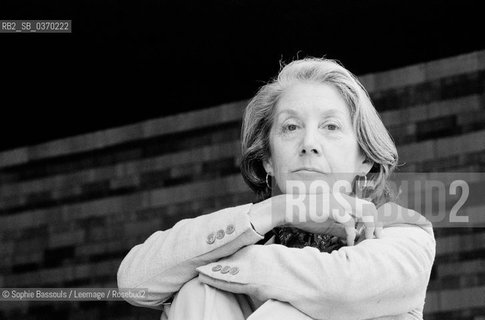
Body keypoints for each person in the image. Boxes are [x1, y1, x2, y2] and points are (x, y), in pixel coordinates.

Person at [117, 57, 436, 320]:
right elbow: (133, 283)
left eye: (331, 127)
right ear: (268, 160)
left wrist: (203, 264)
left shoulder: (402, 230)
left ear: (364, 159)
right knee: (199, 292)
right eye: (291, 127)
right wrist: (274, 211)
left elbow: (338, 288)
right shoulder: (254, 230)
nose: (309, 144)